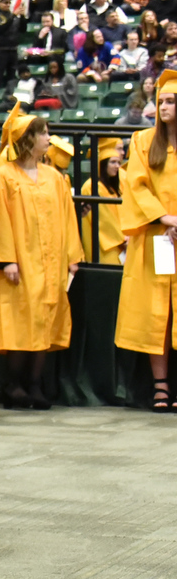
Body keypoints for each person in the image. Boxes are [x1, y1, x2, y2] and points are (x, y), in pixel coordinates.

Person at [0, 109, 82, 409]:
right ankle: (12, 386)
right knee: (19, 321)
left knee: (45, 323)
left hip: (51, 263)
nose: (49, 137)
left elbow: (68, 220)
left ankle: (35, 385)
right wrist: (5, 260)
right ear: (28, 139)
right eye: (43, 133)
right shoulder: (2, 177)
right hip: (20, 263)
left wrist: (71, 256)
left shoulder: (54, 177)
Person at [116, 70, 177, 411]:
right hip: (157, 237)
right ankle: (161, 386)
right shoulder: (143, 141)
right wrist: (165, 218)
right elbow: (136, 185)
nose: (163, 106)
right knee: (159, 317)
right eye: (161, 101)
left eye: (170, 101)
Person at [79, 136, 125, 263]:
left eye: (118, 163)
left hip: (118, 243)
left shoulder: (113, 187)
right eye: (112, 162)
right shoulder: (91, 187)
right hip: (104, 245)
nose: (117, 166)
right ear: (102, 164)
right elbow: (105, 220)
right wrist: (122, 239)